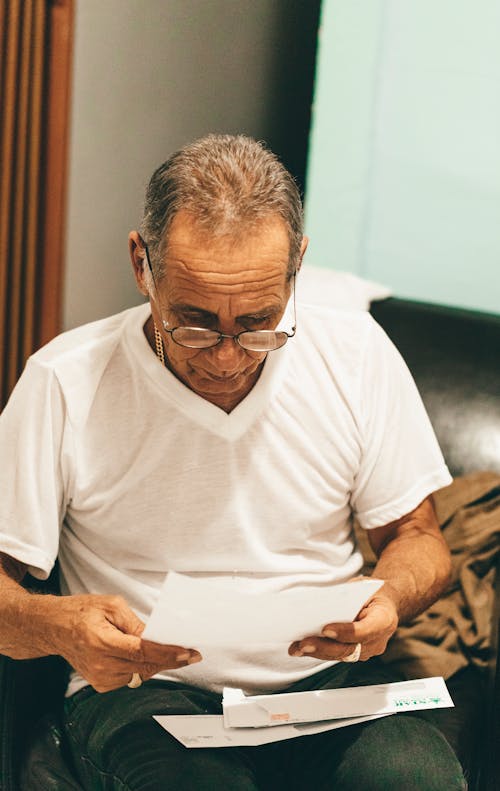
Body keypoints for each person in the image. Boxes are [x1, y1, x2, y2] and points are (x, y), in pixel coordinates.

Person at [0, 134, 466, 790]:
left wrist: (389, 599)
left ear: (296, 267)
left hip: (324, 683)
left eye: (259, 323)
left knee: (414, 777)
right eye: (192, 324)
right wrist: (57, 624)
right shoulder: (63, 381)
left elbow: (417, 536)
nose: (226, 357)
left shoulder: (355, 353)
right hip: (146, 689)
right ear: (142, 265)